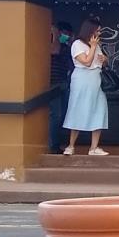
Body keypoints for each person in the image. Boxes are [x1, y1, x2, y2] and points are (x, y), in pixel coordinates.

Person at [62, 17, 109, 156]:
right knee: (78, 108)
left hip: (96, 80)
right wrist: (93, 47)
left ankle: (94, 148)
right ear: (90, 30)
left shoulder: (97, 45)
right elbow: (86, 62)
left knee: (99, 109)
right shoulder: (77, 44)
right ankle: (71, 146)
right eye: (97, 30)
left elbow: (100, 62)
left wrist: (105, 59)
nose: (99, 34)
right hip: (82, 79)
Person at [48, 20, 74, 154]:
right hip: (52, 85)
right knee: (56, 115)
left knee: (62, 115)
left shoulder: (66, 47)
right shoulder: (50, 44)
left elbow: (71, 65)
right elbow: (55, 51)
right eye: (64, 33)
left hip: (63, 84)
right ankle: (52, 145)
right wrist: (55, 34)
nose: (66, 36)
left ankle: (56, 143)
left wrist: (70, 44)